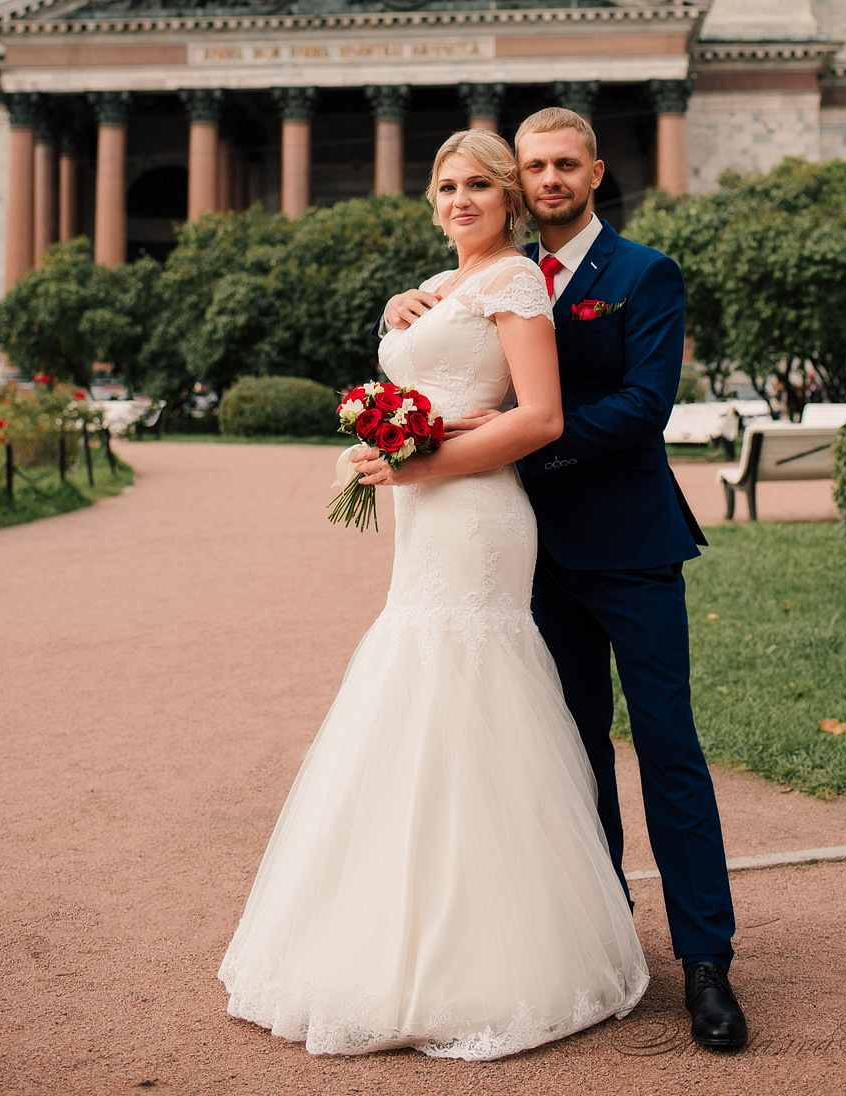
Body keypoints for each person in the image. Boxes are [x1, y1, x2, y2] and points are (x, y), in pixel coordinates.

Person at [218, 129, 648, 1060]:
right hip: (424, 517)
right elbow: (421, 385)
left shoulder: (516, 282)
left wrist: (420, 462)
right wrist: (387, 427)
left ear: (509, 200)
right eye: (448, 186)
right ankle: (392, 929)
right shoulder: (431, 287)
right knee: (411, 685)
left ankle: (501, 950)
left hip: (477, 515)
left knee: (468, 682)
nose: (462, 200)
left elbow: (541, 416)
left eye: (481, 187)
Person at [382, 108, 748, 1051]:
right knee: (568, 751)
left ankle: (707, 961)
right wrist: (402, 310)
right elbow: (456, 347)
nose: (547, 179)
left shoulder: (640, 274)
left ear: (593, 173)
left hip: (629, 544)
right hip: (527, 555)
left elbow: (642, 403)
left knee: (668, 748)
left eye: (563, 165)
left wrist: (500, 449)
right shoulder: (489, 269)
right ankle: (600, 936)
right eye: (533, 165)